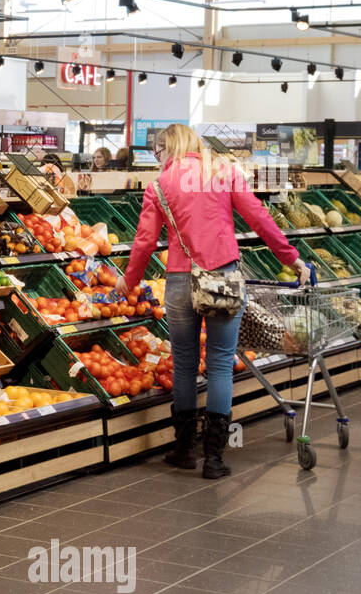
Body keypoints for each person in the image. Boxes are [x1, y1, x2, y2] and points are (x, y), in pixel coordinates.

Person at [117, 124, 311, 478]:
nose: (158, 157)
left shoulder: (160, 185)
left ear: (167, 149)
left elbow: (144, 242)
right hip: (222, 277)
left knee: (185, 364)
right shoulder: (223, 171)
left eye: (159, 151)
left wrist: (128, 282)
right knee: (221, 364)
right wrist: (291, 259)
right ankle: (215, 459)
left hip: (178, 280)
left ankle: (183, 450)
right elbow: (259, 218)